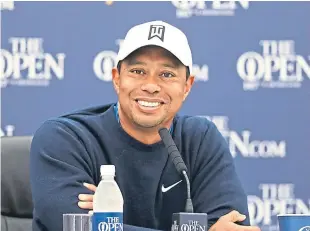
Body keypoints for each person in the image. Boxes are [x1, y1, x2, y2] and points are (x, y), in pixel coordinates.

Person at [29, 20, 260, 231]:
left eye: (167, 74)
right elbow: (73, 226)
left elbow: (234, 225)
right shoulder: (65, 138)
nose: (151, 86)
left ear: (187, 86)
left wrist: (107, 224)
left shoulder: (201, 139)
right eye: (138, 71)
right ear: (117, 78)